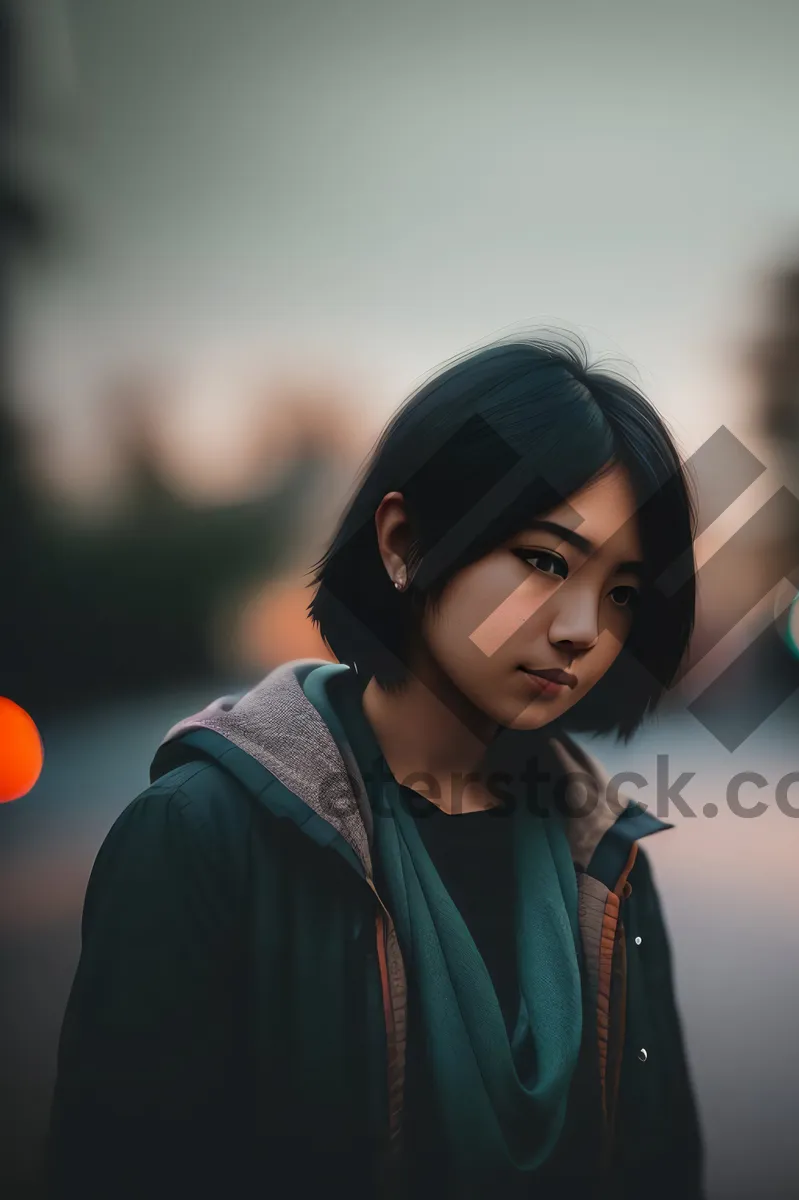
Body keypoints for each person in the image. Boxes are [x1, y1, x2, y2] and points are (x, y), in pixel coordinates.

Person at [46, 335, 706, 1200]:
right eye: (545, 561)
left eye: (621, 591)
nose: (584, 627)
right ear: (401, 543)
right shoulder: (199, 838)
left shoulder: (609, 864)